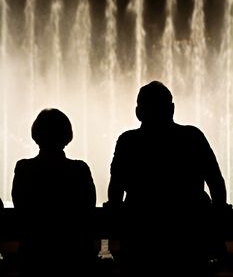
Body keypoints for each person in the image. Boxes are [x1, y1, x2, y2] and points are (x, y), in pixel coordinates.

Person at [107, 81, 227, 277]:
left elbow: (115, 189)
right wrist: (218, 218)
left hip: (142, 234)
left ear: (138, 112)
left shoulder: (128, 141)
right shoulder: (192, 136)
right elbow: (216, 181)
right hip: (189, 234)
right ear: (172, 109)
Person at [11, 108, 97, 277]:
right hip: (73, 254)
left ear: (36, 134)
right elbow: (88, 209)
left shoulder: (24, 169)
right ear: (67, 135)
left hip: (35, 253)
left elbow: (20, 207)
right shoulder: (79, 169)